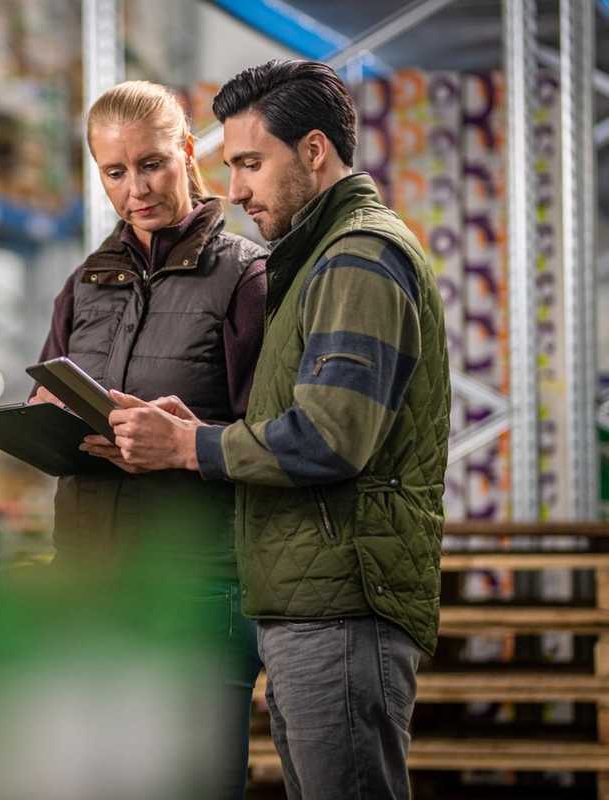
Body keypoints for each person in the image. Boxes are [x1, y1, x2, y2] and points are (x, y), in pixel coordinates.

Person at [87, 60, 450, 799]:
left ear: (314, 151)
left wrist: (193, 447)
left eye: (252, 163)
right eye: (233, 166)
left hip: (343, 602)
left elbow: (330, 436)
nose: (240, 189)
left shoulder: (359, 257)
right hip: (310, 600)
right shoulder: (318, 258)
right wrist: (208, 429)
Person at [30, 79, 267, 799]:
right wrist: (45, 419)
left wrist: (182, 443)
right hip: (90, 574)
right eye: (115, 171)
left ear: (189, 154)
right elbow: (51, 387)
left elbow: (273, 437)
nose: (137, 188)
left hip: (196, 578)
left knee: (194, 778)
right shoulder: (84, 285)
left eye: (153, 163)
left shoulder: (246, 275)